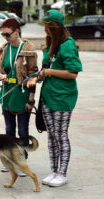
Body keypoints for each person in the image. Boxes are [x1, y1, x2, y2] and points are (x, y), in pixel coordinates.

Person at [31, 9, 82, 187]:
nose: (44, 30)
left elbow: (73, 73)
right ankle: (53, 171)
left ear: (54, 27)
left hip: (63, 98)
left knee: (61, 135)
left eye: (47, 27)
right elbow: (45, 68)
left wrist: (49, 72)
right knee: (51, 136)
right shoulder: (50, 43)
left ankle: (63, 173)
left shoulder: (68, 44)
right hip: (47, 97)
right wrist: (36, 77)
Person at [0, 18, 38, 176]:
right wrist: (1, 76)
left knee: (23, 131)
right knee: (9, 130)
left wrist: (31, 99)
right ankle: (10, 160)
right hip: (6, 94)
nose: (5, 37)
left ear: (16, 31)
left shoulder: (29, 49)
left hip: (22, 95)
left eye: (7, 34)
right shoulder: (3, 49)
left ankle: (22, 162)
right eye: (2, 34)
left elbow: (34, 75)